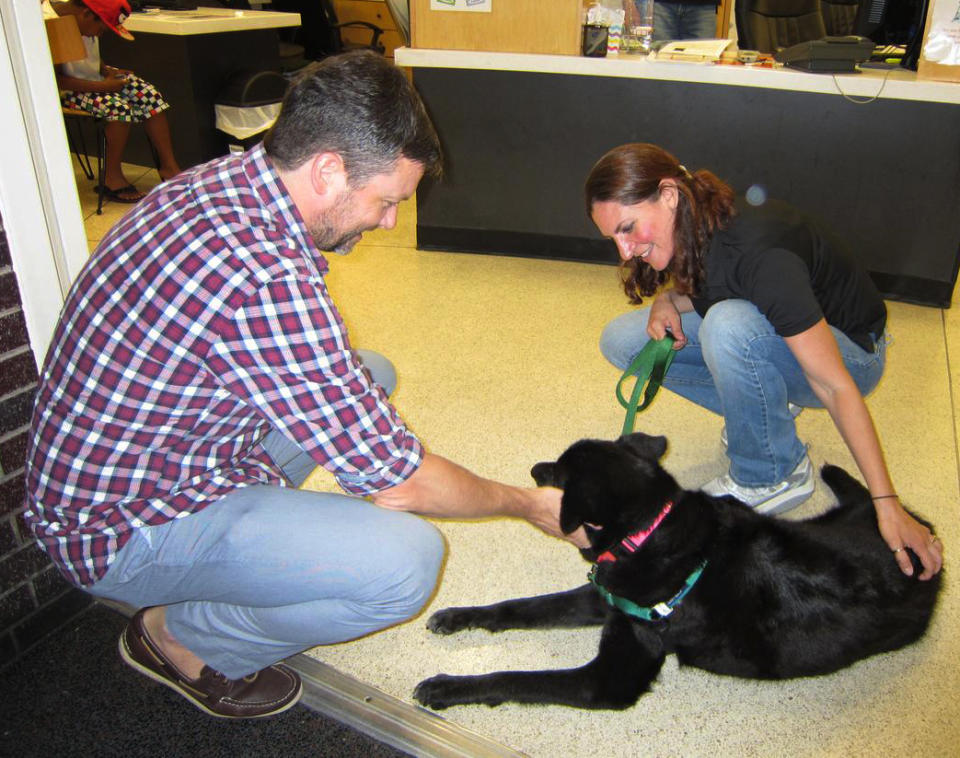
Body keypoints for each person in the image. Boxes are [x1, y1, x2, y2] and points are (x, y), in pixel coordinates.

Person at [24, 51, 582, 720]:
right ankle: (179, 638)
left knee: (368, 374)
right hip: (116, 531)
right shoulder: (265, 276)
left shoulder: (220, 183)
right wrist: (525, 503)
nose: (388, 223)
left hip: (125, 465)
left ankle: (242, 540)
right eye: (387, 201)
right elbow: (400, 479)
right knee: (404, 561)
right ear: (328, 170)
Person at [586, 142, 943, 581]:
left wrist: (885, 504)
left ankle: (772, 474)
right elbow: (712, 283)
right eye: (614, 239)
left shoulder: (757, 255)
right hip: (784, 333)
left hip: (853, 356)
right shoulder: (697, 224)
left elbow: (835, 386)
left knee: (729, 325)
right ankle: (768, 410)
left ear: (669, 194)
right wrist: (669, 300)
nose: (624, 251)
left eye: (628, 228)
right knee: (624, 341)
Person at [49, 0, 181, 203]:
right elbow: (57, 80)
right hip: (67, 90)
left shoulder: (82, 21)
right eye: (101, 29)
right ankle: (112, 177)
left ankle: (169, 167)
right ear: (86, 13)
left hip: (92, 80)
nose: (100, 34)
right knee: (119, 108)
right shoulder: (49, 23)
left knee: (149, 95)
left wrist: (106, 71)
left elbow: (87, 55)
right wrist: (104, 87)